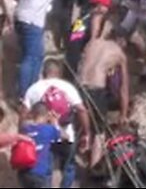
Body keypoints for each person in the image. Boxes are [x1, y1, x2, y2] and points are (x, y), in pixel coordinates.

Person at [11, 0, 120, 96]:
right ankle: (25, 95)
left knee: (35, 55)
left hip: (21, 15)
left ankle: (30, 90)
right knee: (33, 57)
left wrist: (23, 1)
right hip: (35, 20)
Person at [23, 60, 90, 189]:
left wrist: (23, 135)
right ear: (59, 74)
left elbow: (24, 115)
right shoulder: (68, 87)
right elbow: (82, 110)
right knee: (69, 166)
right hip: (66, 134)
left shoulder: (33, 89)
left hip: (45, 137)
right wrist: (86, 133)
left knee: (46, 168)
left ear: (43, 72)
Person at [78, 38, 130, 168]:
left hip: (79, 87)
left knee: (81, 126)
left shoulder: (92, 43)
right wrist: (123, 114)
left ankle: (80, 154)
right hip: (96, 89)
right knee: (99, 133)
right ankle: (94, 169)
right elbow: (124, 88)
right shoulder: (120, 54)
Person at [18, 103, 60, 189]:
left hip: (23, 173)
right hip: (39, 173)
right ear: (46, 115)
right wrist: (55, 121)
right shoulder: (48, 129)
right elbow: (58, 136)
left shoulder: (25, 128)